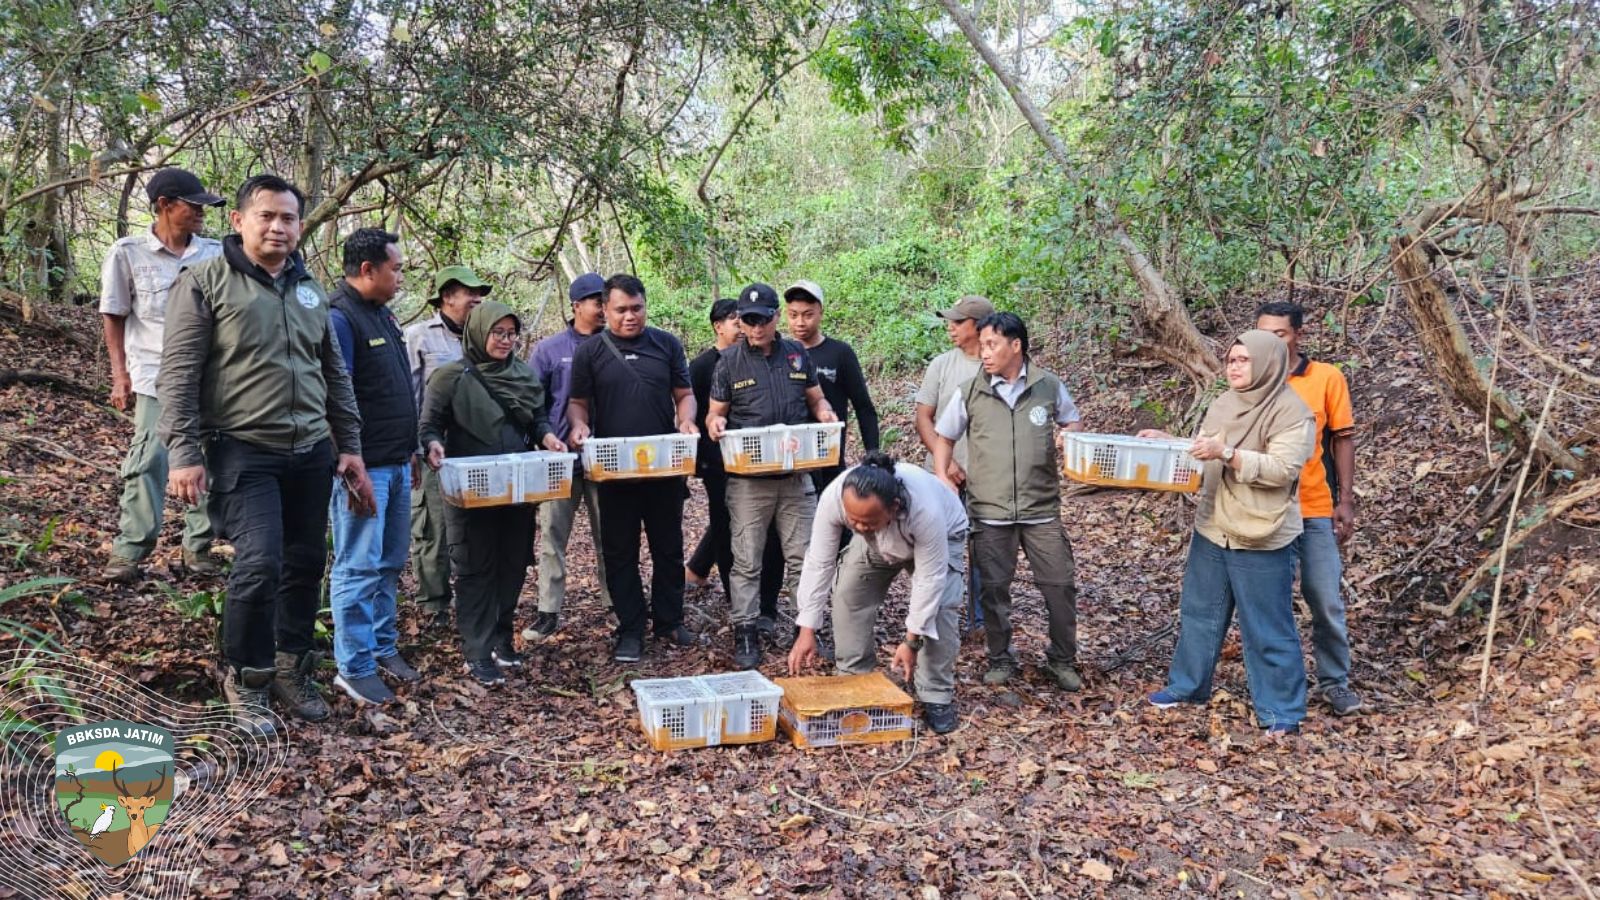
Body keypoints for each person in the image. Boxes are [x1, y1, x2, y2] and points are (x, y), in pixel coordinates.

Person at [158, 174, 374, 737]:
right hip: (241, 449)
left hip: (308, 451)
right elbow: (178, 373)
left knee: (306, 562)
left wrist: (348, 446)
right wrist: (183, 451)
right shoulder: (205, 281)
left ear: (301, 226)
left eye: (289, 219)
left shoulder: (308, 288)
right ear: (239, 221)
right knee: (260, 563)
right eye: (267, 217)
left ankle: (289, 666)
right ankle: (247, 677)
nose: (278, 227)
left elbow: (334, 374)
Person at [1141, 330, 1315, 734]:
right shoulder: (1223, 403)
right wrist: (1172, 445)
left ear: (1269, 363)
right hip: (1213, 525)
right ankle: (1188, 687)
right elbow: (1207, 454)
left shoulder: (1292, 412)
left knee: (1266, 625)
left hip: (1262, 533)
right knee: (1200, 613)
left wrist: (1228, 454)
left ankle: (1281, 712)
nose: (1234, 367)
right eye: (1231, 360)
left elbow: (1283, 470)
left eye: (1244, 360)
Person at [931, 311, 1085, 691]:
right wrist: (942, 476)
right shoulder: (970, 391)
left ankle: (1062, 660)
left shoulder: (1048, 386)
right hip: (989, 510)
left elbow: (1073, 422)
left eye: (992, 344)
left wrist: (1070, 437)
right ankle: (1000, 659)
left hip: (1041, 510)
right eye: (982, 345)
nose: (984, 352)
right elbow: (944, 437)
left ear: (1016, 345)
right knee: (994, 590)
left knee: (1059, 585)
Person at [420, 301, 566, 687]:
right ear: (478, 332)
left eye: (511, 333)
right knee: (475, 566)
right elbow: (429, 424)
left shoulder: (522, 374)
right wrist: (433, 445)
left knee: (514, 562)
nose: (505, 340)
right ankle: (477, 649)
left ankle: (502, 635)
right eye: (497, 333)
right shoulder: (450, 377)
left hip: (516, 484)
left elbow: (536, 419)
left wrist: (548, 437)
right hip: (470, 489)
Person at [100, 167, 224, 583]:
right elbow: (114, 315)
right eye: (194, 206)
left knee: (207, 457)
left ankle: (199, 546)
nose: (202, 213)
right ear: (165, 206)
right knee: (150, 458)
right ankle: (131, 550)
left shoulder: (215, 254)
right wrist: (121, 375)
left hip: (211, 376)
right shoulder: (128, 253)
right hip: (155, 374)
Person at [567, 274, 700, 663]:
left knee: (669, 547)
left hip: (662, 465)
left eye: (637, 308)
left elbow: (685, 393)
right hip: (615, 470)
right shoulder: (590, 353)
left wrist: (686, 420)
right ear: (605, 309)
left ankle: (669, 620)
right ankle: (630, 628)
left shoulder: (666, 344)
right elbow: (578, 402)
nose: (630, 317)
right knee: (620, 551)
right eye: (621, 310)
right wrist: (578, 424)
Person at [706, 283, 838, 669]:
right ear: (740, 323)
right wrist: (715, 423)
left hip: (796, 476)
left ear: (775, 317)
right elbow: (716, 411)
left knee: (805, 557)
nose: (757, 327)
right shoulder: (729, 362)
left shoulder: (796, 354)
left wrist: (825, 413)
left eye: (763, 319)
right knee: (747, 558)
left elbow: (816, 398)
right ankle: (745, 630)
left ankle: (807, 630)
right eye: (748, 321)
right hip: (749, 480)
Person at [788, 453, 970, 734]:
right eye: (854, 521)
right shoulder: (835, 496)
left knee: (941, 609)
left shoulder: (924, 509)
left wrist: (911, 642)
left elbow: (929, 579)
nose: (858, 526)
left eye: (866, 520)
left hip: (942, 535)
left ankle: (936, 694)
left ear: (894, 507)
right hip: (876, 541)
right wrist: (807, 627)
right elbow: (819, 561)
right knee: (849, 593)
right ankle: (854, 675)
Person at [326, 228, 423, 706]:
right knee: (358, 566)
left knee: (388, 564)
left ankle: (383, 648)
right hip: (363, 469)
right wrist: (351, 462)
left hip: (396, 463)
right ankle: (354, 665)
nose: (400, 276)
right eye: (396, 268)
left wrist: (413, 449)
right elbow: (334, 394)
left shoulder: (381, 315)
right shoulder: (340, 318)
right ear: (368, 270)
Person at [1256, 301, 1362, 716]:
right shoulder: (1250, 375)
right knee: (1271, 600)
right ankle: (1280, 686)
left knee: (1323, 595)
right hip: (1263, 509)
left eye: (1279, 335)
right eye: (1264, 335)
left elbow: (1343, 438)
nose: (1272, 343)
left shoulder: (1325, 378)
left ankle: (1336, 682)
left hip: (1314, 506)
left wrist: (1346, 500)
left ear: (1298, 334)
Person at [521, 272, 613, 643]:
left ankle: (615, 602)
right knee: (553, 536)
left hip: (607, 458)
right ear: (576, 306)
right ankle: (547, 610)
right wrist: (541, 441)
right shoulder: (549, 350)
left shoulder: (616, 345)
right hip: (559, 459)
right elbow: (531, 401)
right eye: (596, 301)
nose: (603, 309)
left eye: (606, 301)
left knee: (611, 535)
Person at [403, 266, 491, 629]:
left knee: (477, 529)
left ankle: (478, 598)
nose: (476, 299)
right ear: (446, 296)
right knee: (433, 529)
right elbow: (407, 394)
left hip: (475, 449)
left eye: (479, 293)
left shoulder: (484, 336)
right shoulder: (418, 337)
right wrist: (411, 446)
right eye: (469, 292)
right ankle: (434, 604)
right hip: (432, 450)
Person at [685, 298, 784, 613]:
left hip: (755, 461)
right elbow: (698, 411)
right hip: (717, 463)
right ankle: (734, 597)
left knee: (760, 529)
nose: (742, 326)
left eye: (744, 320)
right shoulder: (702, 366)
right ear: (718, 326)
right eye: (734, 320)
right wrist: (700, 459)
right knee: (724, 525)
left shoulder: (755, 359)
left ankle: (763, 601)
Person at [915, 295, 994, 631]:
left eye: (958, 321)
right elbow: (924, 417)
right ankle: (937, 617)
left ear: (977, 326)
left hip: (989, 476)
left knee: (985, 551)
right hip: (944, 475)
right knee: (940, 546)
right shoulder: (942, 365)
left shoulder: (998, 365)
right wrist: (943, 463)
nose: (950, 327)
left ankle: (981, 622)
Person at [782, 280, 880, 498]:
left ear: (821, 312)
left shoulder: (839, 353)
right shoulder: (780, 354)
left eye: (808, 314)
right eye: (793, 314)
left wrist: (872, 452)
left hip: (829, 456)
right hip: (789, 460)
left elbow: (863, 406)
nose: (800, 322)